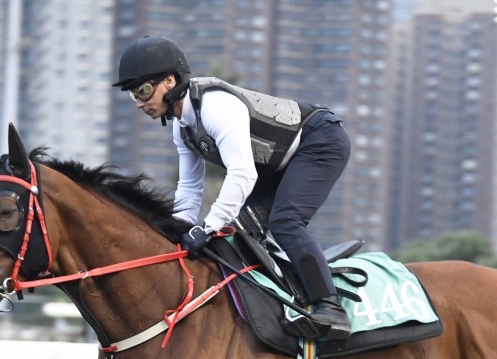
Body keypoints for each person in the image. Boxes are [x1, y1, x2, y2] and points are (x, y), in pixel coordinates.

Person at [113, 35, 352, 339]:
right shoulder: (182, 127)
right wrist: (178, 232)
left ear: (169, 81)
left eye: (143, 90)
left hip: (320, 141)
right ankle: (291, 302)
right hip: (279, 162)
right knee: (241, 234)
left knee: (285, 222)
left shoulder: (215, 107)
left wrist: (207, 226)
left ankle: (330, 308)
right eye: (133, 95)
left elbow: (242, 173)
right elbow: (188, 188)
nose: (139, 103)